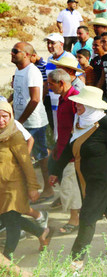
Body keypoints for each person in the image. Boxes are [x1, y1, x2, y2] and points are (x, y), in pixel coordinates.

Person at [49, 86, 107, 271]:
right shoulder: (82, 122)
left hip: (104, 180)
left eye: (81, 104)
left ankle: (76, 261)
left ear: (92, 106)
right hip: (86, 177)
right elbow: (70, 148)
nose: (77, 105)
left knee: (87, 216)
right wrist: (56, 170)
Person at [0, 101, 52, 259]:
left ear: (11, 116)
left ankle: (6, 261)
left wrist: (33, 187)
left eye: (5, 116)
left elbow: (26, 163)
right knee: (9, 218)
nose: (1, 120)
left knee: (11, 224)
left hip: (13, 186)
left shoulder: (14, 136)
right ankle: (41, 232)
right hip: (1, 187)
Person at [9, 42, 52, 202]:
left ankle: (48, 189)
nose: (12, 53)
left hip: (34, 121)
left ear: (26, 54)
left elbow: (35, 99)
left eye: (15, 51)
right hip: (21, 120)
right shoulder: (18, 70)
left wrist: (20, 121)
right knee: (27, 154)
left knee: (41, 156)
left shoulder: (32, 71)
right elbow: (18, 93)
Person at [47, 69, 82, 234]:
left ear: (61, 83)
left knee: (70, 185)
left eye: (51, 84)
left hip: (71, 153)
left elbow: (76, 130)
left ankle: (74, 219)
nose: (49, 87)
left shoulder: (75, 100)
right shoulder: (63, 98)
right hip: (63, 149)